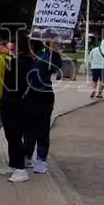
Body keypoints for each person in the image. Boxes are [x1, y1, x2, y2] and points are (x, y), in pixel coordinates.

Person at [22, 39, 63, 174]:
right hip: (28, 96)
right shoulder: (26, 57)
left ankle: (41, 159)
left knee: (42, 128)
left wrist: (53, 50)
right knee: (28, 128)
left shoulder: (46, 56)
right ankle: (27, 154)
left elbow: (56, 67)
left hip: (44, 96)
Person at [0, 36, 30, 182]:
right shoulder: (16, 61)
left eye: (12, 45)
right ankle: (13, 164)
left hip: (16, 103)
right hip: (9, 102)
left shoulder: (22, 63)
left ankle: (20, 169)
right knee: (10, 135)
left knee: (15, 135)